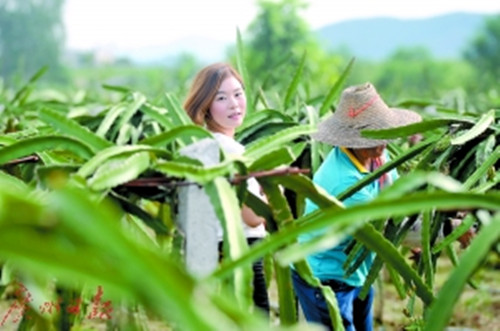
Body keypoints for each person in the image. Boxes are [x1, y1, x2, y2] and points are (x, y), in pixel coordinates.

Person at [292, 82, 422, 330]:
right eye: (373, 135)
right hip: (325, 277)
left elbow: (395, 199)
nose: (383, 141)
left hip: (355, 271)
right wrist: (446, 228)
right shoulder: (346, 182)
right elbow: (388, 225)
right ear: (351, 139)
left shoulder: (375, 156)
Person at [183, 62, 270, 315]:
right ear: (205, 107)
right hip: (242, 252)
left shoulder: (200, 146)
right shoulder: (231, 151)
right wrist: (278, 193)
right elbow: (253, 218)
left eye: (238, 94)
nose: (234, 104)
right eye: (221, 98)